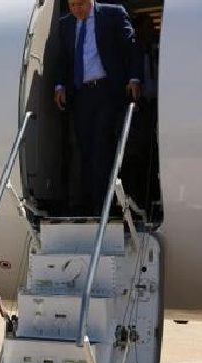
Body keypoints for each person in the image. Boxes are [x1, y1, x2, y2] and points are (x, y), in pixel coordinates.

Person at [54, 0, 142, 215]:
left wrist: (134, 78)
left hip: (106, 91)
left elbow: (131, 47)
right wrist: (59, 85)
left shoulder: (113, 15)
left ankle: (102, 207)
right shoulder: (66, 24)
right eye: (72, 5)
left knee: (101, 147)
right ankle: (91, 203)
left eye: (81, 4)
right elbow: (63, 58)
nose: (77, 10)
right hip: (81, 95)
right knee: (85, 149)